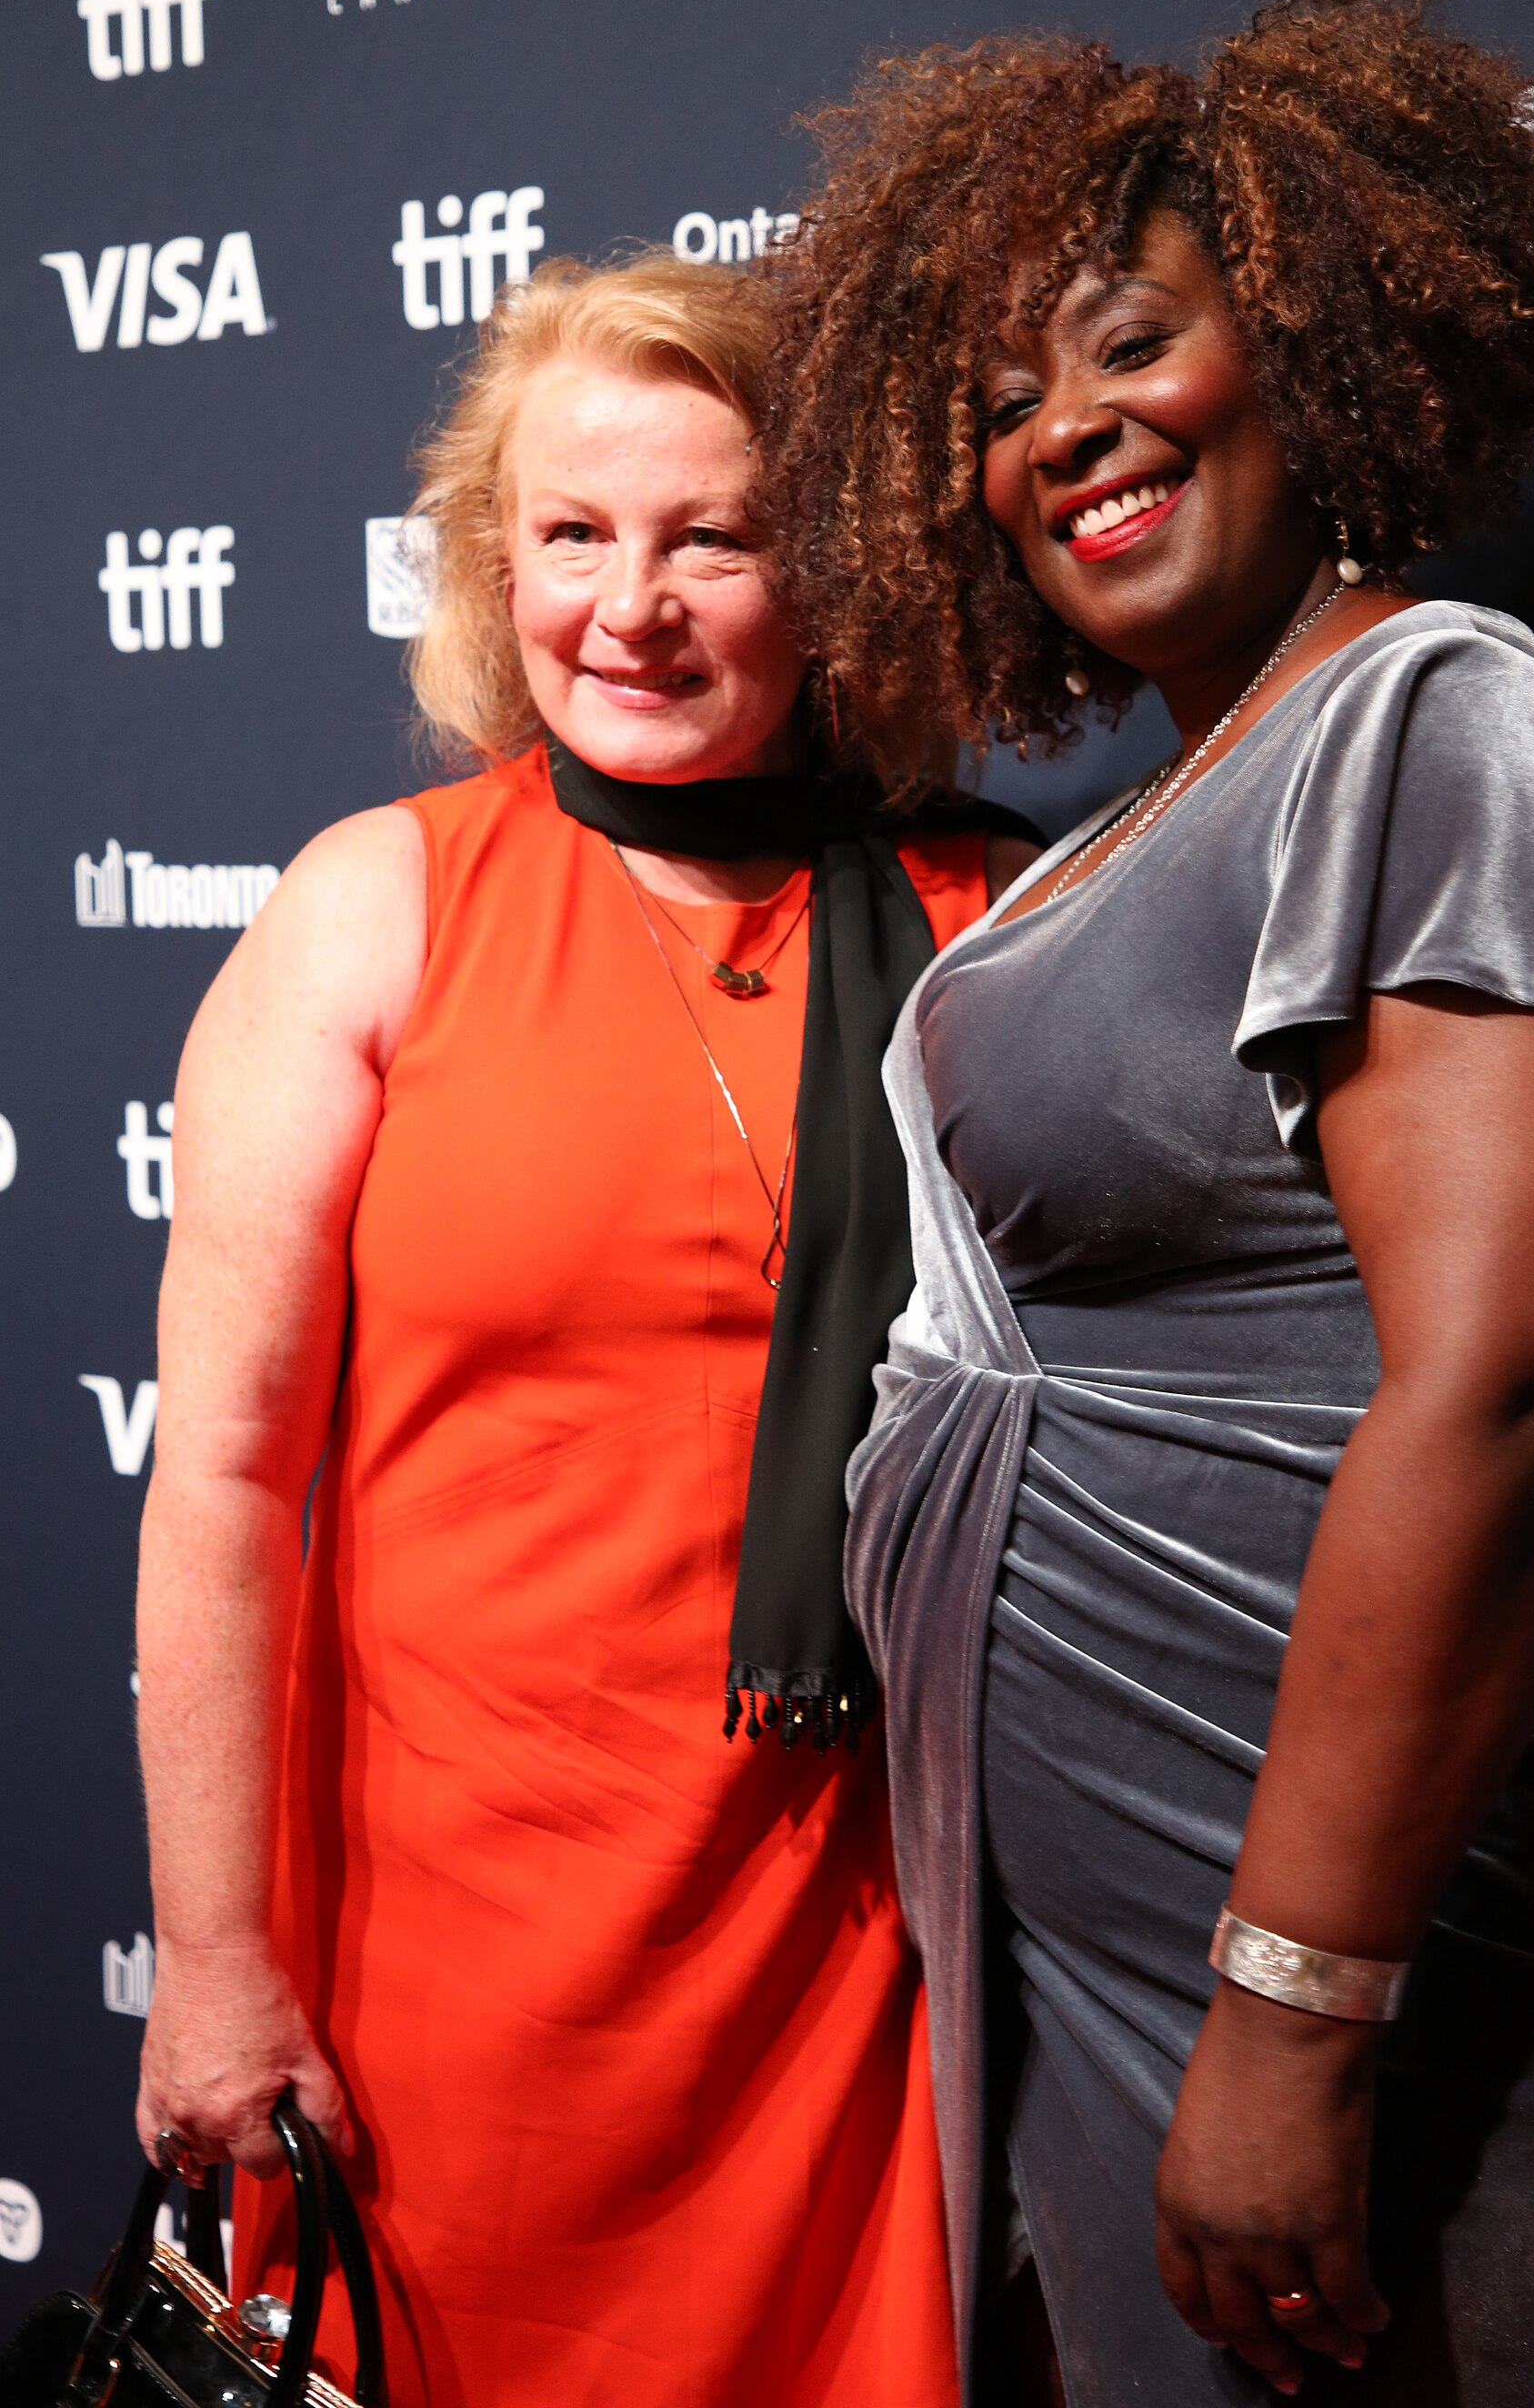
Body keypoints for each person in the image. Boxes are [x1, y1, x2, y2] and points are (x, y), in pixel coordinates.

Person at [758, 0, 1534, 2406]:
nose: (1064, 431)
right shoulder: (1147, 817)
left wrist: (1296, 2016)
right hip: (1137, 1942)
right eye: (1002, 407)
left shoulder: (1442, 724)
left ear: (1310, 346)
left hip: (1383, 1958)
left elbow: (1522, 1390)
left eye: (1129, 345)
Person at [133, 253, 1034, 2407]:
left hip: (854, 1962)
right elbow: (227, 1483)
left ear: (835, 568)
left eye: (713, 537)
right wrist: (215, 1965)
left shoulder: (994, 922)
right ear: (495, 563)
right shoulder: (376, 906)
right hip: (450, 1969)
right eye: (571, 534)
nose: (630, 606)